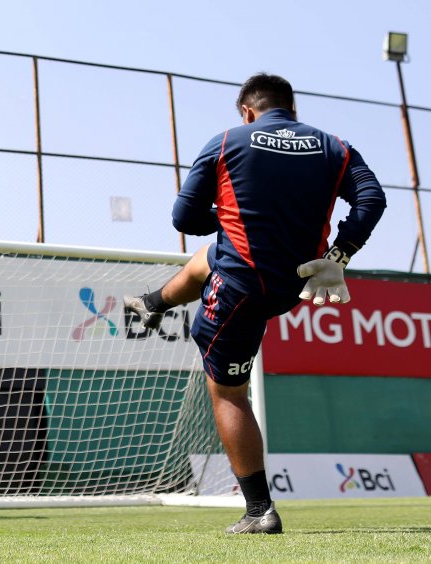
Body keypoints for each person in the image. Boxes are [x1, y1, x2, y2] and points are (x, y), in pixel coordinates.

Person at [124, 73, 386, 534]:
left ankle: (259, 509)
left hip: (241, 288)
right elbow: (372, 198)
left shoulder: (227, 141)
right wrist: (339, 256)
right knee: (207, 258)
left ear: (247, 111)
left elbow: (182, 217)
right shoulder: (334, 147)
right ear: (292, 110)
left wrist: (227, 217)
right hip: (295, 282)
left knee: (227, 392)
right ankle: (152, 303)